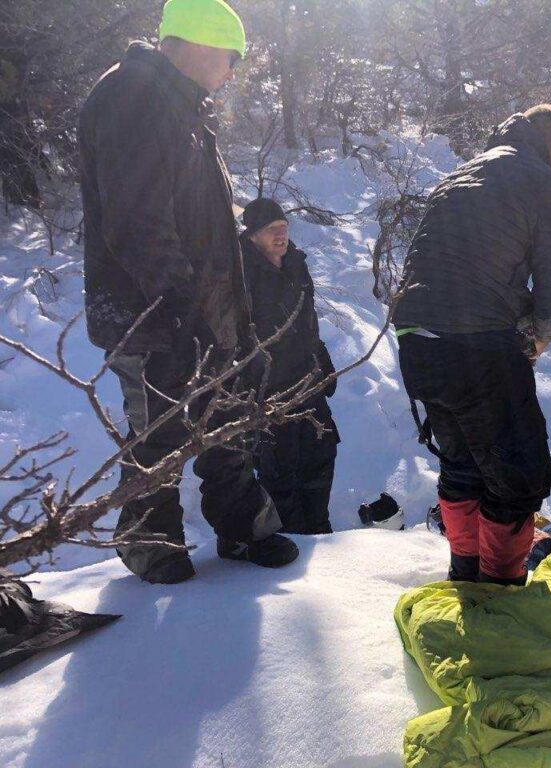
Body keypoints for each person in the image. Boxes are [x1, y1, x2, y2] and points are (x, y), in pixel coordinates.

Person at [78, 0, 297, 584]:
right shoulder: (135, 98)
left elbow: (211, 231)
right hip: (153, 315)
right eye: (231, 58)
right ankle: (150, 545)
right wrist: (178, 306)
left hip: (203, 309)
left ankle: (242, 526)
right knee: (160, 431)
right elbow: (137, 220)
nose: (232, 72)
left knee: (223, 420)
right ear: (201, 46)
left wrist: (234, 315)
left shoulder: (181, 109)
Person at [394, 104, 551, 586]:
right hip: (474, 344)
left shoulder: (459, 176)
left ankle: (464, 573)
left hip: (416, 342)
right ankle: (499, 591)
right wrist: (537, 340)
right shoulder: (544, 181)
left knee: (465, 463)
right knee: (518, 477)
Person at [241, 198, 338, 535]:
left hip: (306, 379)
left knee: (322, 450)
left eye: (284, 228)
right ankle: (290, 534)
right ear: (253, 235)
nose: (281, 235)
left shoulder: (296, 263)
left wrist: (321, 356)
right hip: (267, 387)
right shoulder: (240, 273)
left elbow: (307, 319)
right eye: (272, 230)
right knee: (279, 467)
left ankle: (318, 528)